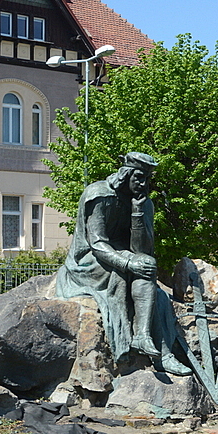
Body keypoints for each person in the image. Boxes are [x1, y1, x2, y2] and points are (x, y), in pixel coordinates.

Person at [56, 152, 190, 376]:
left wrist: (138, 211)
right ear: (125, 174)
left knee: (147, 267)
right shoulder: (99, 194)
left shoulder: (144, 203)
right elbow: (97, 243)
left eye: (147, 179)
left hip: (123, 255)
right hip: (90, 259)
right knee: (132, 273)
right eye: (139, 177)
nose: (143, 184)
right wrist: (128, 263)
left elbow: (142, 249)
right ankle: (161, 353)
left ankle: (144, 337)